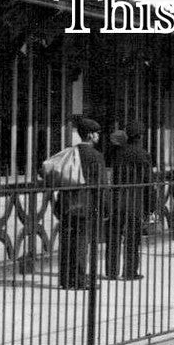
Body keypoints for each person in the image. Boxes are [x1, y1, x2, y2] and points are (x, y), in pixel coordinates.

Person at [56, 117, 108, 289]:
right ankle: (79, 278)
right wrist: (104, 207)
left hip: (66, 203)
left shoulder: (69, 152)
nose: (98, 136)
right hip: (85, 205)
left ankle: (65, 279)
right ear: (90, 135)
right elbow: (101, 185)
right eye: (96, 133)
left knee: (66, 241)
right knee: (81, 241)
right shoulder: (96, 156)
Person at [104, 123, 153, 280]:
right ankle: (130, 271)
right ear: (140, 136)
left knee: (113, 236)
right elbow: (148, 182)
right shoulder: (143, 155)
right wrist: (150, 206)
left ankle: (111, 270)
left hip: (117, 198)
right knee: (133, 238)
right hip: (135, 200)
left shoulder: (117, 153)